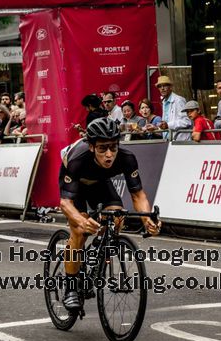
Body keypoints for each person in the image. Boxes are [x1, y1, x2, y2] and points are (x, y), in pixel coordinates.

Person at [58, 117, 161, 311]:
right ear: (91, 147)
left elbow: (138, 195)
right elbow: (65, 203)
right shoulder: (77, 159)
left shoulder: (126, 157)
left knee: (117, 216)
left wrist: (148, 219)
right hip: (76, 186)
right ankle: (71, 287)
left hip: (100, 183)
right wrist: (81, 219)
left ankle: (98, 247)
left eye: (113, 147)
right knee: (79, 231)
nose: (109, 154)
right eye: (102, 148)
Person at [156, 75, 191, 141]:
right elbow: (166, 124)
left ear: (170, 87)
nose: (162, 88)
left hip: (180, 141)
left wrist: (168, 125)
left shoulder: (179, 100)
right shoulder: (164, 102)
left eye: (165, 85)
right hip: (168, 141)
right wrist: (156, 127)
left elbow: (187, 122)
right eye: (160, 86)